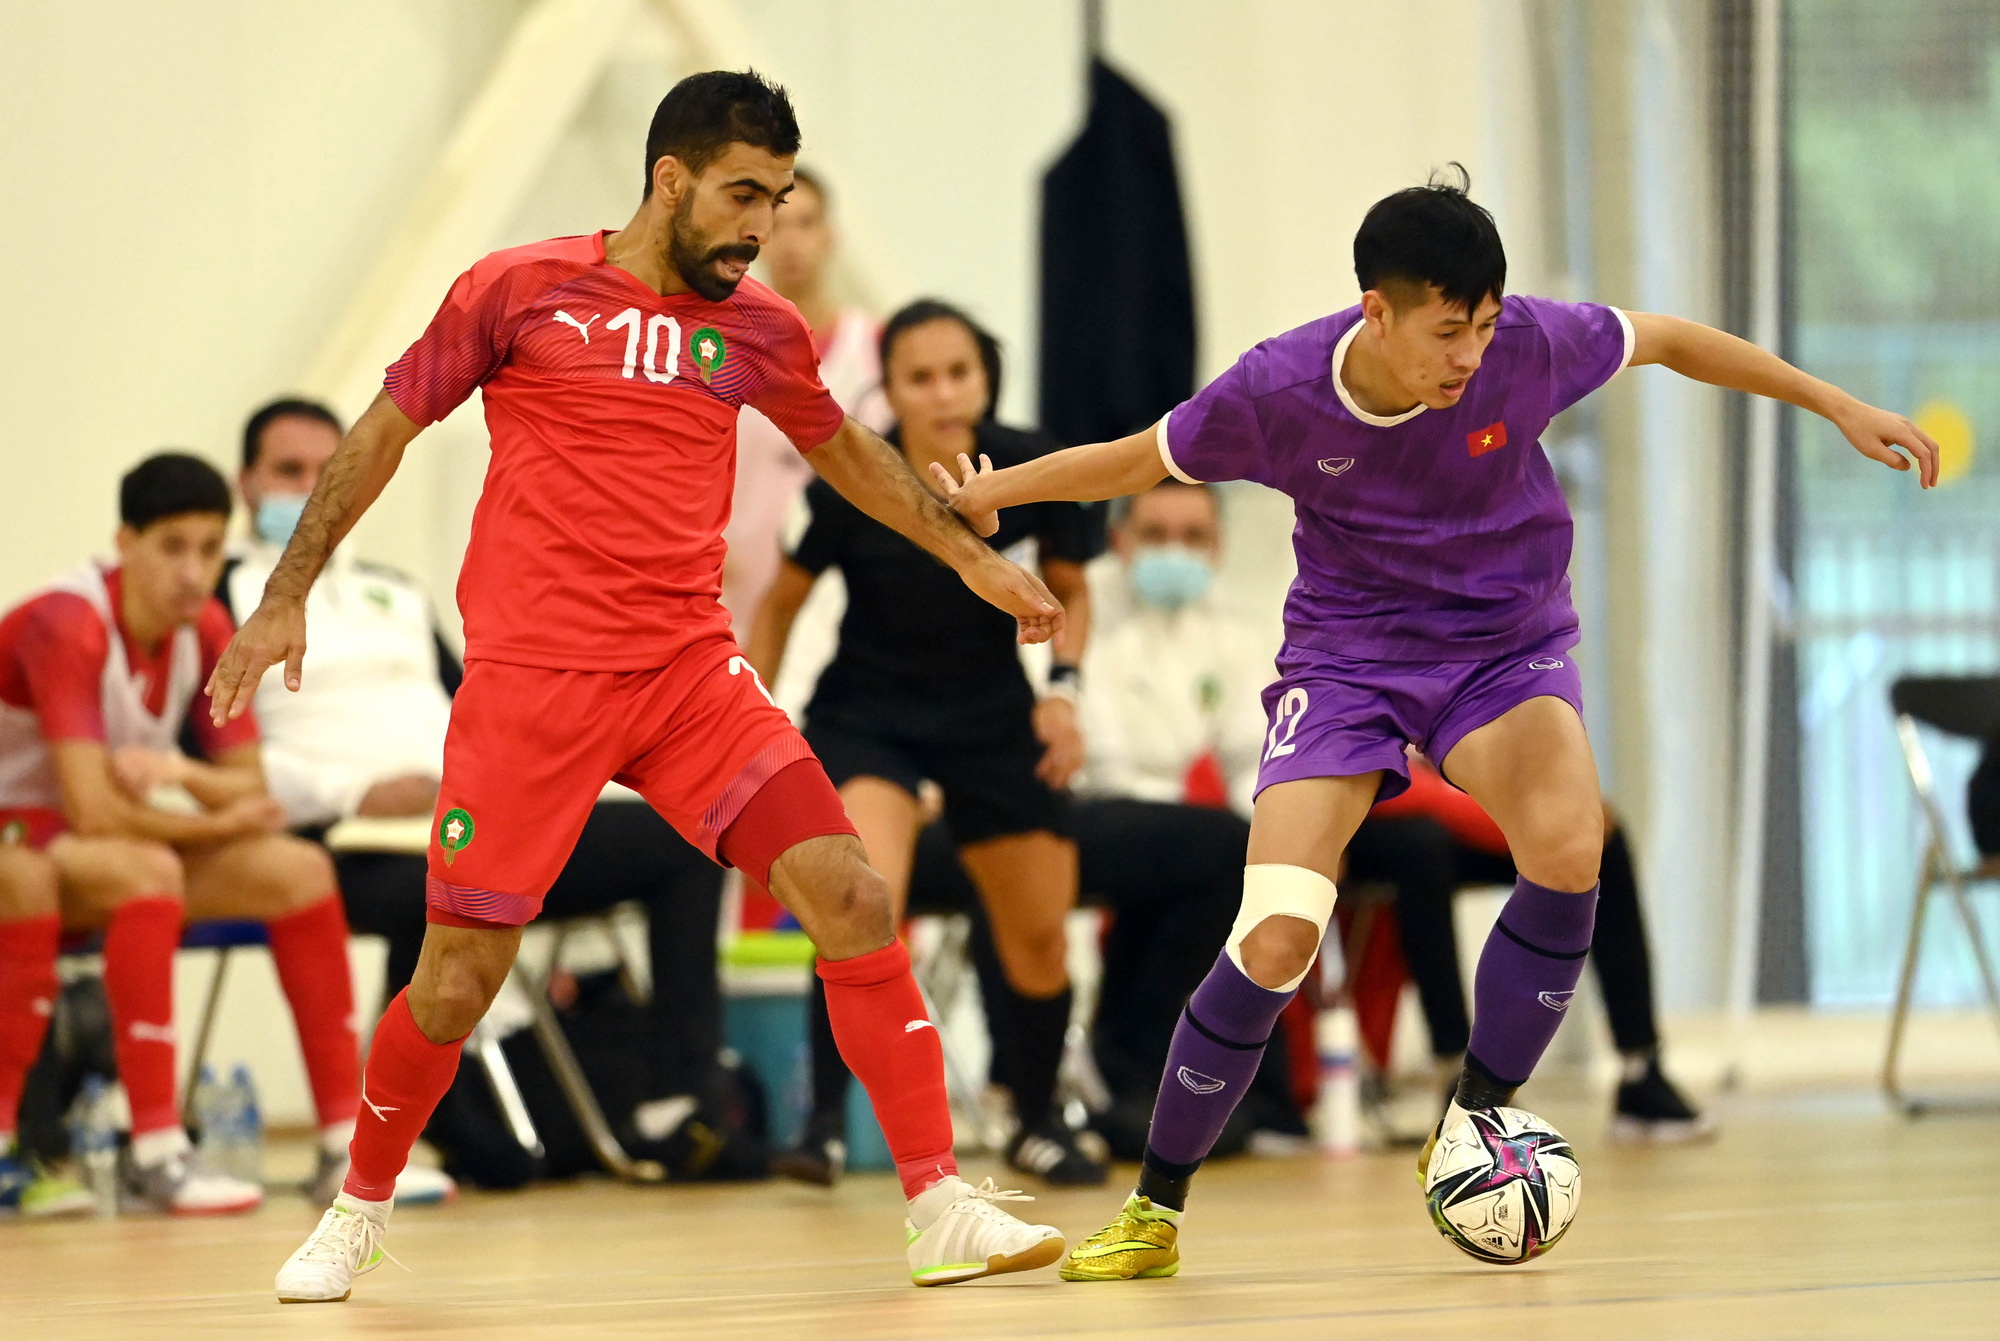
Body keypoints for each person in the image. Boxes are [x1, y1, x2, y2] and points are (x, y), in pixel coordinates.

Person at [930, 166, 1938, 1281]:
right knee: (1273, 935)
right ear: (1375, 312)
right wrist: (996, 495)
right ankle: (1153, 1211)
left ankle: (1473, 1122)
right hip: (1346, 662)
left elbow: (1671, 339)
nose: (1469, 354)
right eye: (1447, 330)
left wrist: (1835, 402)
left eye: (1485, 326)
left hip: (1501, 652)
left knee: (1568, 848)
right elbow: (1131, 458)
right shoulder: (1275, 392)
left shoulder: (1531, 350)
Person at [210, 71, 1070, 1304]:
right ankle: (357, 1205)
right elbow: (383, 430)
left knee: (850, 890)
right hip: (529, 688)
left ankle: (935, 1201)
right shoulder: (516, 290)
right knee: (454, 980)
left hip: (684, 674)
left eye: (773, 200)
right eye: (739, 195)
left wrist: (978, 560)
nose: (757, 224)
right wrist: (290, 586)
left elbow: (853, 462)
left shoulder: (759, 327)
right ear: (668, 180)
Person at [228, 397, 744, 1193]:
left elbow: (477, 703)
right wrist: (356, 791)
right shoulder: (225, 602)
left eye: (325, 471)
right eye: (287, 471)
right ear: (245, 485)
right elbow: (221, 758)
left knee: (683, 837)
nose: (308, 486)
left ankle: (675, 1094)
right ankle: (430, 1116)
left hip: (463, 811)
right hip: (344, 839)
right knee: (436, 892)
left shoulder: (396, 594)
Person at [749, 298, 1104, 1187]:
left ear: (986, 380)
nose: (943, 393)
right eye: (920, 376)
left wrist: (1063, 694)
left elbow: (1071, 591)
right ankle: (825, 1123)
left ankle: (1033, 1116)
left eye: (960, 373)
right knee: (861, 903)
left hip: (992, 717)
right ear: (890, 389)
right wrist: (752, 718)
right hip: (868, 715)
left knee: (1039, 936)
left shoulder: (1033, 462)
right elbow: (780, 604)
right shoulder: (849, 473)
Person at [0, 453, 369, 1215]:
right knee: (144, 867)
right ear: (123, 541)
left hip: (72, 845)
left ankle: (345, 1148)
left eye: (210, 548)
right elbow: (96, 811)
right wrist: (219, 817)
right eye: (173, 546)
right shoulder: (69, 624)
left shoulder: (203, 626)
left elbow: (249, 786)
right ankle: (157, 1148)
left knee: (298, 869)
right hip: (28, 835)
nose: (194, 571)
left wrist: (188, 777)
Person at [1066, 478, 1303, 1155]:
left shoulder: (1229, 629)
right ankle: (1141, 1066)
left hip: (1188, 830)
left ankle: (1208, 1085)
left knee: (1245, 856)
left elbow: (1249, 751)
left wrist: (1270, 833)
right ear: (1119, 540)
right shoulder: (1083, 612)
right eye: (1155, 534)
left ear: (1218, 546)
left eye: (1193, 536)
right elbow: (1102, 762)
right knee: (1215, 851)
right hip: (1088, 812)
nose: (1176, 550)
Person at [1362, 758, 1713, 1142]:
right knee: (1423, 847)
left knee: (1597, 839)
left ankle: (1641, 1071)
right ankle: (1461, 1080)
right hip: (1363, 803)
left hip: (1445, 784)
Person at [721, 166, 889, 632]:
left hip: (844, 603)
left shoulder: (878, 350)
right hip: (736, 598)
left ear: (831, 235)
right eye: (777, 227)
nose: (791, 242)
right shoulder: (719, 349)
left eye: (806, 223)